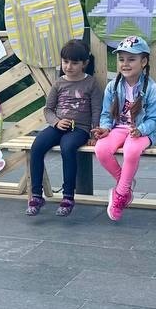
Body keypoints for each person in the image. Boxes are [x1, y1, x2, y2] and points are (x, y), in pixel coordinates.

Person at [26, 39, 104, 217]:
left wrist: (94, 131)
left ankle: (68, 195)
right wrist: (56, 122)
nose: (68, 66)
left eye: (74, 63)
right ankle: (36, 195)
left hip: (80, 129)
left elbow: (96, 109)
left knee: (68, 148)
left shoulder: (91, 83)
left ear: (85, 63)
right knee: (37, 147)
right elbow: (48, 109)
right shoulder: (59, 83)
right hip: (58, 126)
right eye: (65, 62)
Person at [93, 36, 156, 223]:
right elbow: (106, 114)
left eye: (131, 59)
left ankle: (121, 193)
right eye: (122, 59)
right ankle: (126, 185)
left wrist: (140, 130)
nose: (125, 64)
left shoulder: (150, 88)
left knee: (131, 150)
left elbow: (154, 120)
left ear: (144, 61)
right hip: (119, 128)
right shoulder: (113, 87)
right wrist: (105, 128)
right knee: (101, 149)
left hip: (142, 131)